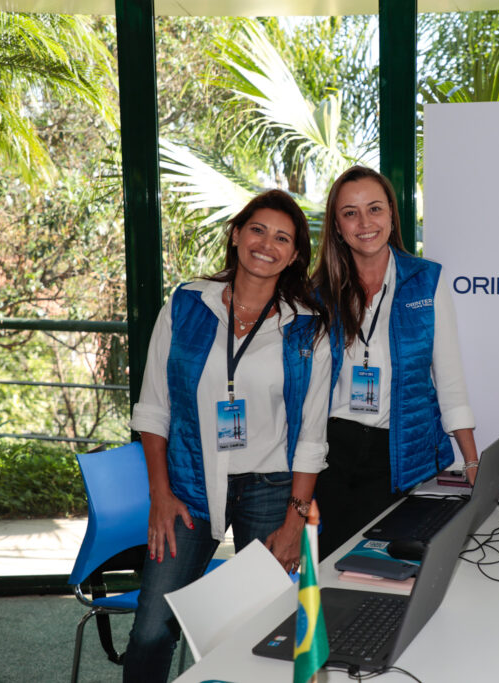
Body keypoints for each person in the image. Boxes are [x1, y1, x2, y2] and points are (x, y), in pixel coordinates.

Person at [122, 190, 331, 682]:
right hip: (190, 487)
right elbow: (154, 409)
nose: (267, 244)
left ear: (295, 254)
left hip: (272, 488)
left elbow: (312, 438)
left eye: (283, 238)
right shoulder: (188, 305)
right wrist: (160, 494)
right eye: (257, 230)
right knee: (152, 629)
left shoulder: (307, 329)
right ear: (236, 235)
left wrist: (295, 519)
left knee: (265, 631)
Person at [311, 165, 480, 559]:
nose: (365, 222)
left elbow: (450, 383)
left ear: (391, 215)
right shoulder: (318, 294)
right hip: (332, 456)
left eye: (375, 209)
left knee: (396, 572)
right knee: (335, 573)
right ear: (337, 226)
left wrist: (472, 462)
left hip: (401, 453)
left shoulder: (426, 281)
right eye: (350, 213)